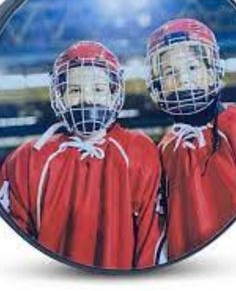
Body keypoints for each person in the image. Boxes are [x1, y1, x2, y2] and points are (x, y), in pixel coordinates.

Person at [0, 41, 161, 270]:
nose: (87, 99)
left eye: (98, 88)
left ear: (114, 94)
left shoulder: (139, 151)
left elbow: (150, 240)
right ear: (61, 96)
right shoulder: (26, 159)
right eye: (75, 90)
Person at [146, 18, 236, 264]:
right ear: (158, 85)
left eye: (193, 68)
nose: (183, 79)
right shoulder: (164, 148)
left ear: (212, 71)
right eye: (170, 72)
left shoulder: (233, 124)